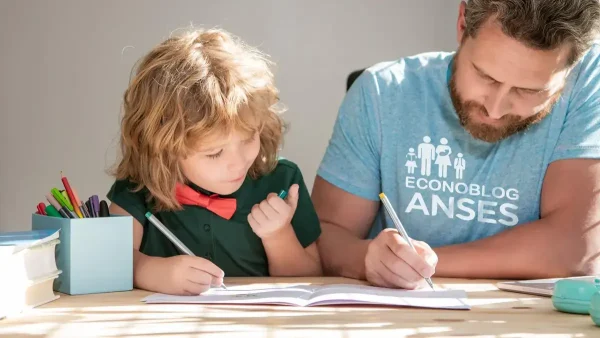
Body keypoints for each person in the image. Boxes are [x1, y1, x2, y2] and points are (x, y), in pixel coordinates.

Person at [312, 0, 600, 289]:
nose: (496, 110)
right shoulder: (381, 91)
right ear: (462, 23)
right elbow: (324, 236)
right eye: (485, 76)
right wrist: (367, 260)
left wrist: (424, 264)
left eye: (529, 90)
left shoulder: (589, 83)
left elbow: (575, 251)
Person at [106, 28, 322, 296]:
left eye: (248, 138)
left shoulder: (281, 180)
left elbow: (313, 280)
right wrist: (152, 272)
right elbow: (110, 262)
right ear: (163, 148)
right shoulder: (138, 184)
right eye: (214, 153)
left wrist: (278, 235)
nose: (238, 162)